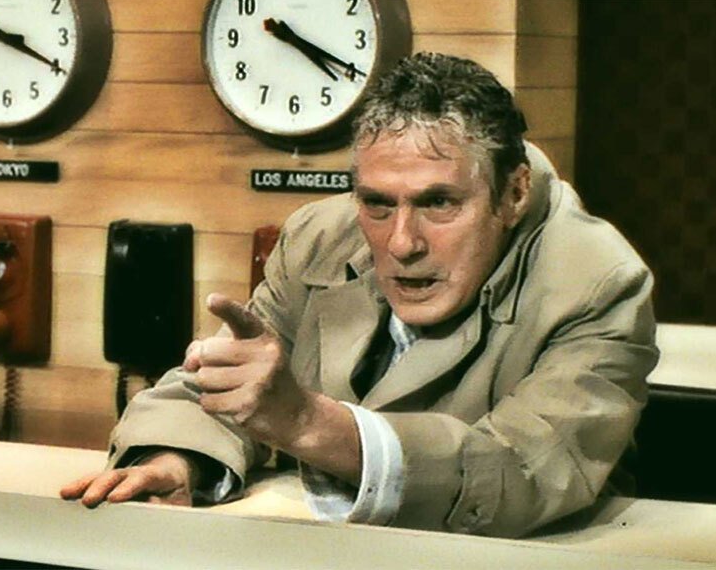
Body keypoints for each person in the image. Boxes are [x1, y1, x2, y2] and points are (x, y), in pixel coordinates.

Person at [61, 52, 658, 538]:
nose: (402, 243)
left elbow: (518, 474)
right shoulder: (319, 236)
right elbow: (228, 390)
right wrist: (176, 460)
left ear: (514, 193)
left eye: (439, 203)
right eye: (377, 203)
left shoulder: (597, 281)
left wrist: (305, 422)